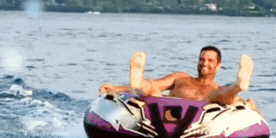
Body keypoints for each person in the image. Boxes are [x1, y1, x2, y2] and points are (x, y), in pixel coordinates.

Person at [99, 46, 253, 106]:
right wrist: (116, 88)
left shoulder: (217, 90)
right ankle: (137, 81)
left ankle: (239, 85)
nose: (204, 63)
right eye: (201, 59)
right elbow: (156, 84)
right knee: (154, 89)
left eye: (210, 61)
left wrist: (248, 105)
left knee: (228, 95)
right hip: (162, 114)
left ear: (218, 66)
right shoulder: (181, 78)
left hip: (199, 120)